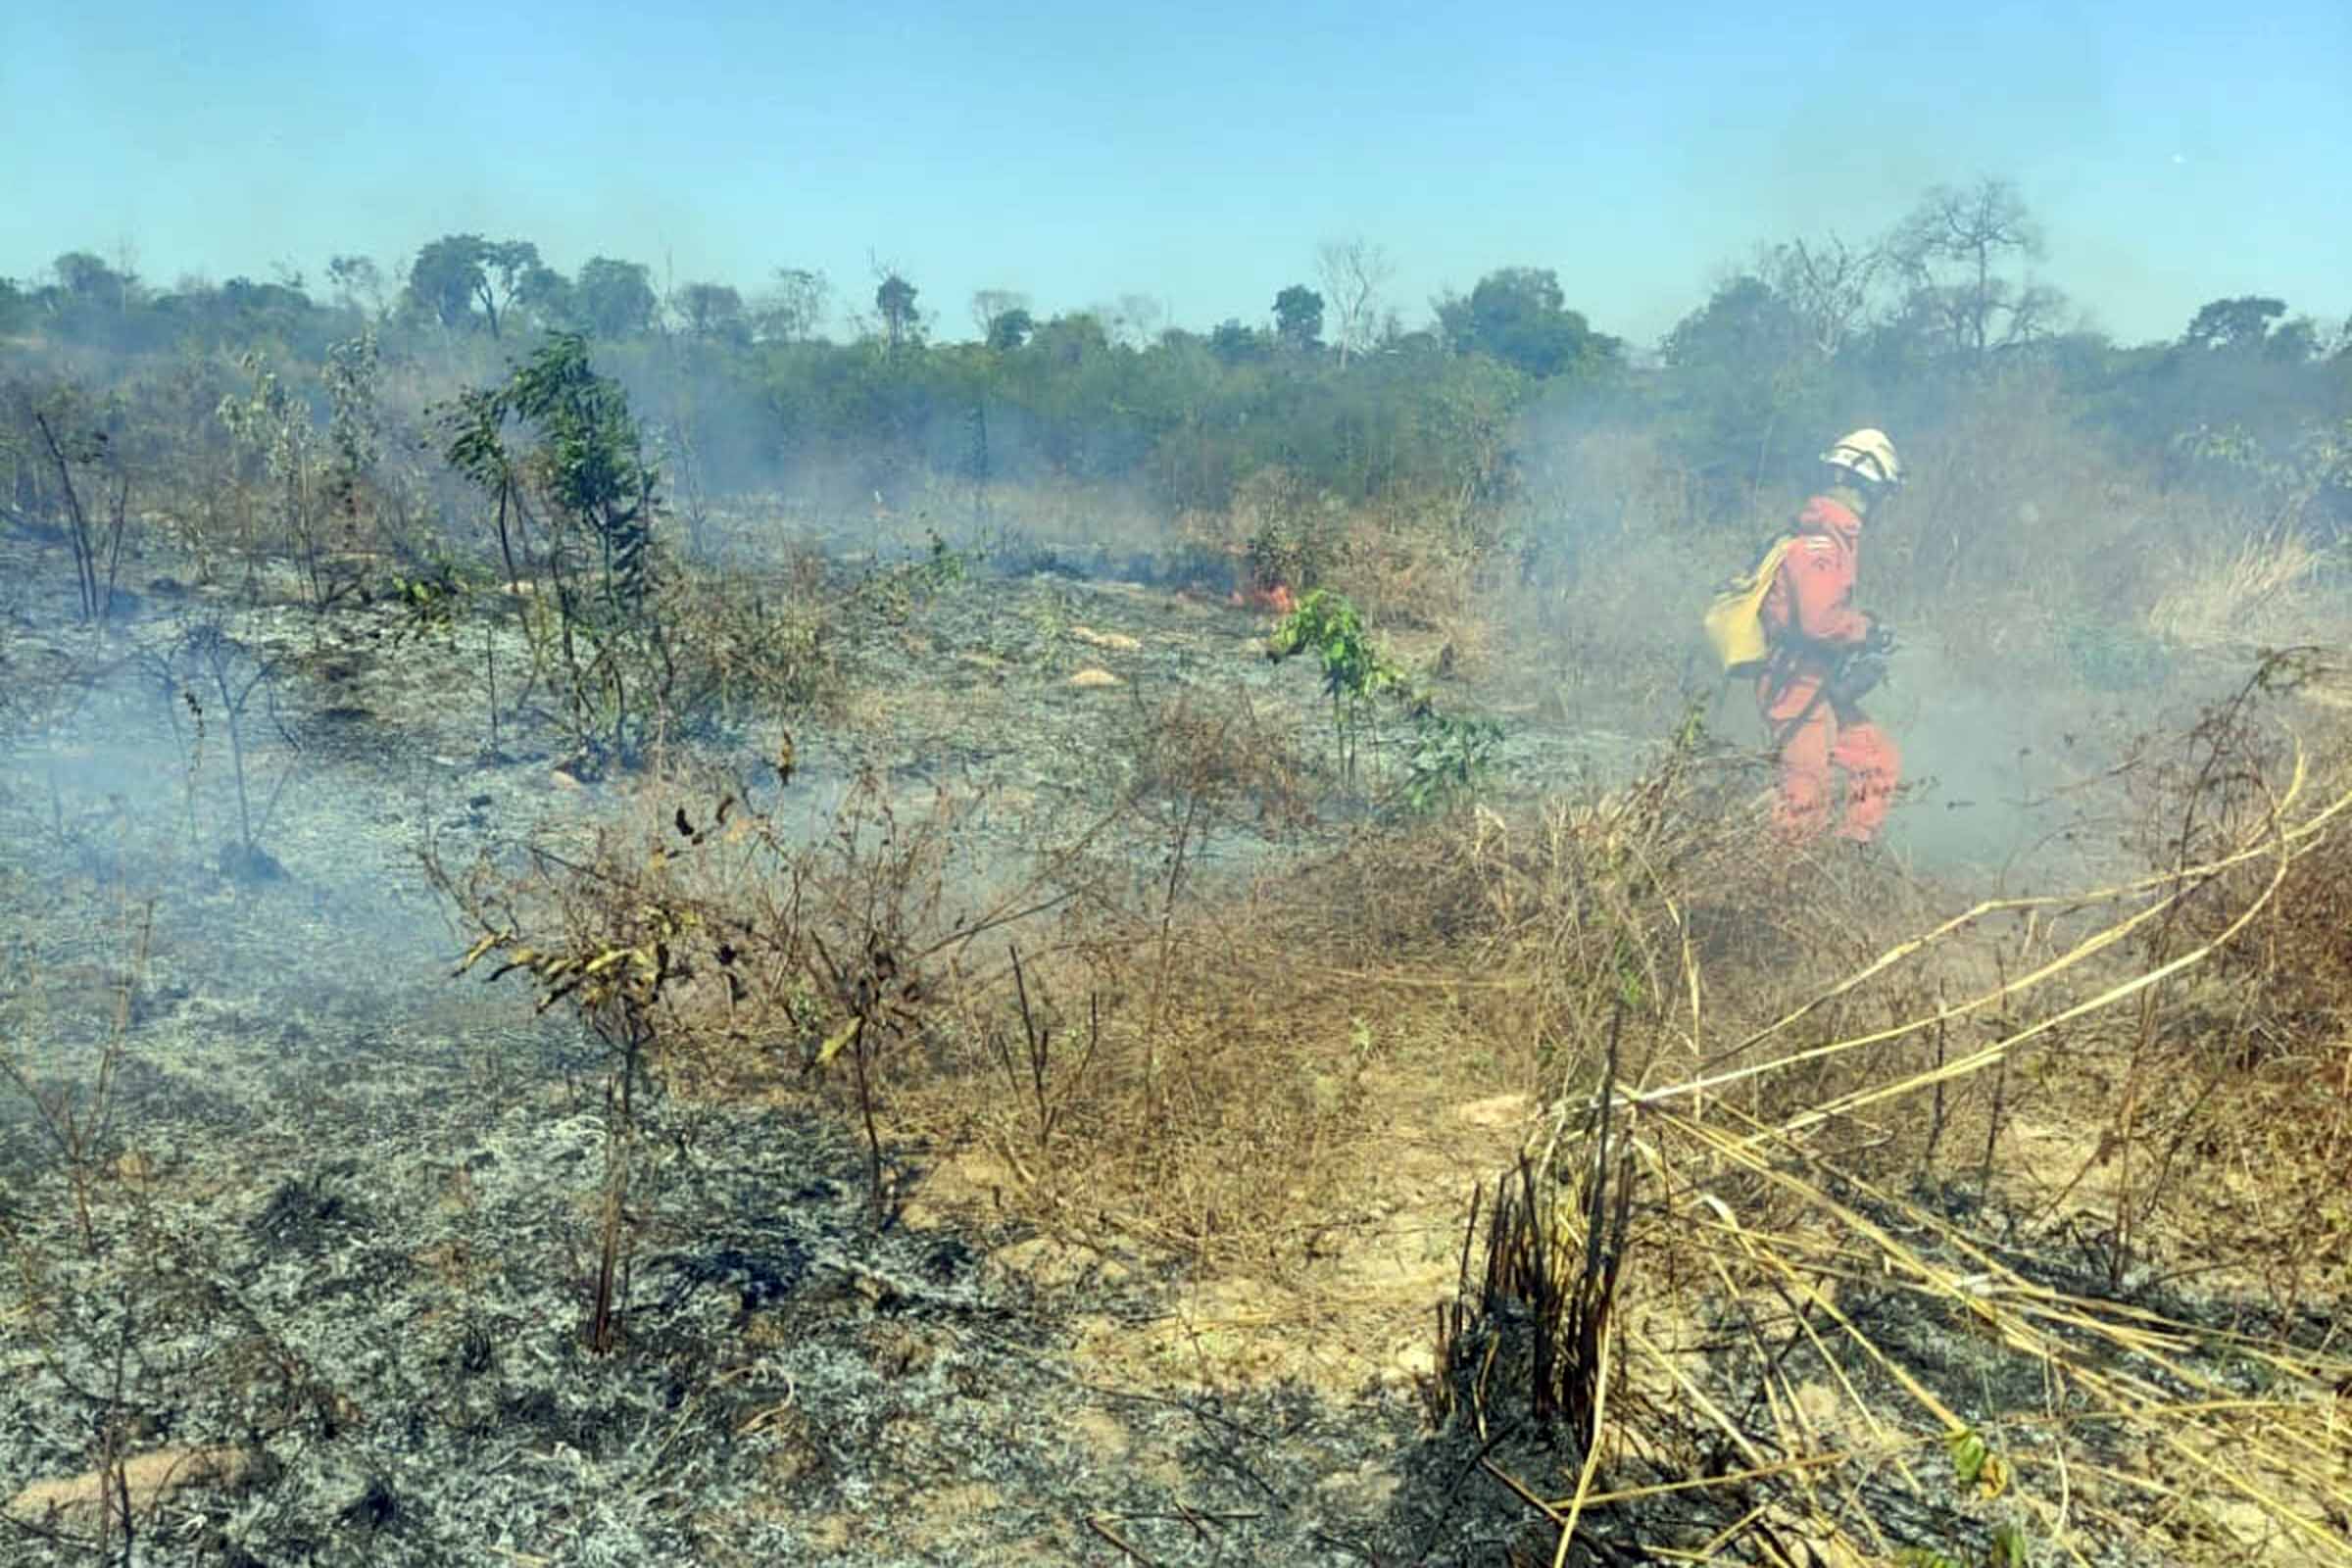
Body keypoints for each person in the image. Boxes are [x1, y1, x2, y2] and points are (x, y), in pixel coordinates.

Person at [1756, 428, 1903, 845]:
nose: (1875, 504)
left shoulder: (1835, 537)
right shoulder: (1819, 541)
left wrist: (1862, 631)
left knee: (1876, 760)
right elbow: (1818, 623)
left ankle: (1848, 856)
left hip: (1816, 681)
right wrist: (1863, 630)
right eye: (1874, 493)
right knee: (1804, 801)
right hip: (1794, 682)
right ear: (1855, 484)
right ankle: (1781, 889)